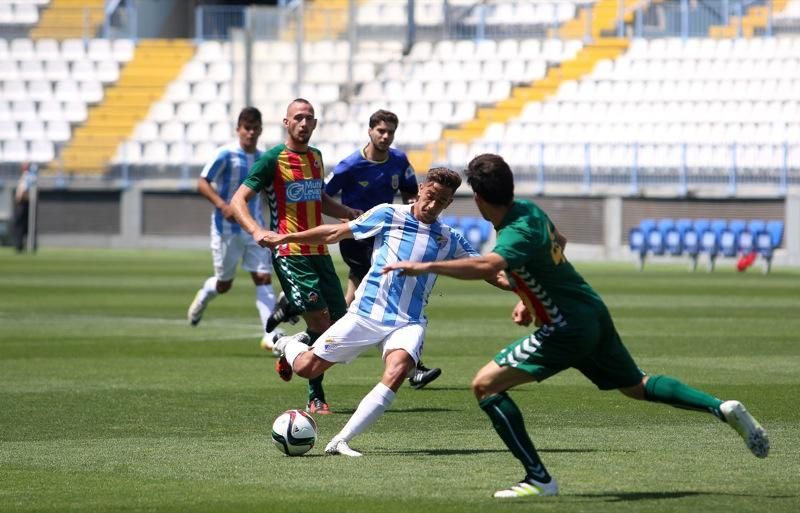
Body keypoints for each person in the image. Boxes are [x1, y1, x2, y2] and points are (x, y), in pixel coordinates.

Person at [383, 154, 770, 499]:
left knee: (485, 384)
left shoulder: (513, 233)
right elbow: (559, 242)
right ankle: (721, 408)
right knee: (635, 385)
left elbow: (487, 266)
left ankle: (538, 480)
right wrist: (527, 297)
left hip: (566, 327)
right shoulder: (530, 211)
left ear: (480, 199)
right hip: (591, 311)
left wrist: (423, 265)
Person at [266, 167, 499, 457]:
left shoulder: (448, 238)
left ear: (449, 203)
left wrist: (523, 290)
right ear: (421, 189)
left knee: (398, 369)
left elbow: (488, 270)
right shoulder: (389, 214)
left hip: (407, 322)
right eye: (430, 196)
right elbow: (336, 232)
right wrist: (285, 239)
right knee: (305, 368)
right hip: (365, 314)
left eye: (442, 201)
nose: (433, 205)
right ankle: (288, 343)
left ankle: (341, 440)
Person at [230, 98, 361, 415]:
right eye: (298, 118)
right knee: (320, 320)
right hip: (290, 252)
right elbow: (238, 201)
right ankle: (316, 396)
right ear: (286, 123)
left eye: (309, 118)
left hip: (319, 249)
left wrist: (345, 212)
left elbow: (319, 196)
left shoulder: (315, 157)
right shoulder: (273, 160)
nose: (304, 123)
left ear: (315, 124)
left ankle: (290, 346)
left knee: (338, 326)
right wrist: (256, 231)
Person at [324, 109, 441, 390]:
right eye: (381, 131)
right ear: (370, 131)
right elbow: (322, 194)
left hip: (387, 237)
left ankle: (311, 331)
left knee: (357, 299)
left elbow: (411, 193)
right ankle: (411, 368)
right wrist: (343, 214)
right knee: (386, 292)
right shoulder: (350, 165)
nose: (386, 136)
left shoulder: (399, 160)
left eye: (390, 132)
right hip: (357, 237)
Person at [187, 107, 282, 350]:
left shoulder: (263, 159)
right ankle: (205, 295)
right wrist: (222, 205)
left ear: (260, 130)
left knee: (262, 277)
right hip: (226, 229)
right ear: (238, 130)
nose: (250, 133)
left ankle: (270, 334)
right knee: (224, 284)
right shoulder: (225, 154)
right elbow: (202, 182)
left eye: (254, 129)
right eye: (246, 128)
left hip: (253, 228)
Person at [12, 162, 36, 253]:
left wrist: (18, 199)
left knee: (19, 225)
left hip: (22, 203)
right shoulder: (29, 176)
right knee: (24, 225)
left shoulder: (27, 176)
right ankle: (24, 245)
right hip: (25, 203)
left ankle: (19, 246)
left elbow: (22, 190)